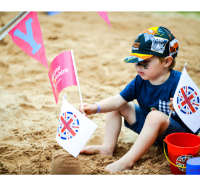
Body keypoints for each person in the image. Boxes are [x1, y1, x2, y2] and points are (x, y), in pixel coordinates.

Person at [79, 26, 199, 174]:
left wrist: (181, 107)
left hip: (175, 138)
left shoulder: (179, 82)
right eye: (136, 62)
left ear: (167, 62)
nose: (138, 68)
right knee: (119, 105)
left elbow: (195, 115)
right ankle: (107, 147)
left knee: (154, 116)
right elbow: (117, 100)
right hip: (149, 129)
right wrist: (94, 107)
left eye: (145, 63)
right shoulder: (140, 80)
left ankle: (127, 161)